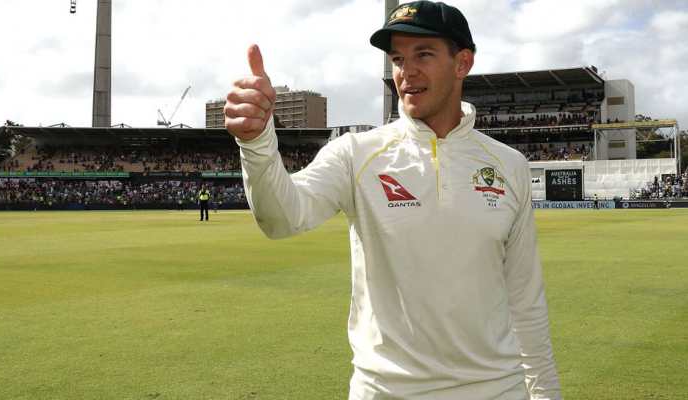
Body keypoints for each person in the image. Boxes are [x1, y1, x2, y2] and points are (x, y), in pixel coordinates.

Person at [224, 1, 562, 399]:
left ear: (462, 63)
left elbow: (526, 300)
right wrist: (257, 144)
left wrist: (545, 393)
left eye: (424, 54)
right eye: (398, 58)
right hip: (386, 390)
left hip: (496, 390)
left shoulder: (509, 165)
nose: (407, 71)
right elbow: (282, 219)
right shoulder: (355, 153)